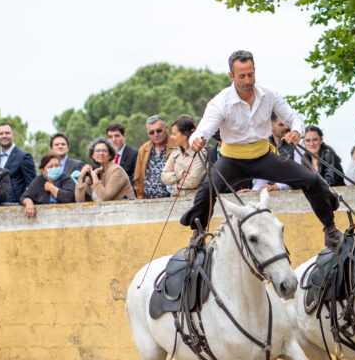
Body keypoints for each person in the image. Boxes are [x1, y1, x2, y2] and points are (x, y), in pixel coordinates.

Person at [181, 50, 342, 247]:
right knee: (208, 188)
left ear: (254, 71)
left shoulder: (269, 95)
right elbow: (203, 129)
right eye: (242, 76)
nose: (247, 80)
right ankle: (198, 233)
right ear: (231, 76)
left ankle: (330, 229)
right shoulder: (220, 102)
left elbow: (293, 117)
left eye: (251, 74)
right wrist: (196, 140)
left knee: (310, 179)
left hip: (264, 156)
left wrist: (297, 133)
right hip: (232, 160)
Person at [76, 137, 137, 203]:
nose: (101, 153)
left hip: (125, 210)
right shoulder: (94, 172)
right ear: (92, 155)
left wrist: (94, 177)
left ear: (110, 155)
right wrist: (80, 177)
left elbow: (105, 197)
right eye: (97, 151)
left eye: (104, 151)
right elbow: (80, 201)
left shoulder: (116, 170)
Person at [159, 116, 206, 200]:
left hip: (193, 200)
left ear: (184, 135)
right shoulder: (175, 152)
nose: (171, 137)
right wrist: (181, 174)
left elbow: (192, 182)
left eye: (174, 134)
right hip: (174, 199)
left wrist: (173, 181)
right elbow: (163, 177)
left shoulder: (200, 153)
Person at [21, 153, 77, 218]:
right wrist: (29, 202)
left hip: (66, 216)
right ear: (43, 170)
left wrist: (51, 188)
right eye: (50, 166)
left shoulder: (66, 178)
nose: (54, 168)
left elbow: (68, 198)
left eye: (57, 165)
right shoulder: (39, 180)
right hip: (44, 218)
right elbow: (24, 197)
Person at [0, 122, 36, 204]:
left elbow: (33, 185)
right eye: (1, 133)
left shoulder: (24, 156)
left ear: (13, 135)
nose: (4, 136)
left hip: (16, 205)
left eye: (7, 133)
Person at [134, 115, 172, 199]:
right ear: (147, 133)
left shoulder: (176, 146)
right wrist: (140, 197)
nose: (156, 135)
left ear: (166, 128)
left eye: (159, 131)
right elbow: (138, 178)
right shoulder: (143, 149)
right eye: (151, 132)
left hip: (172, 200)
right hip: (148, 202)